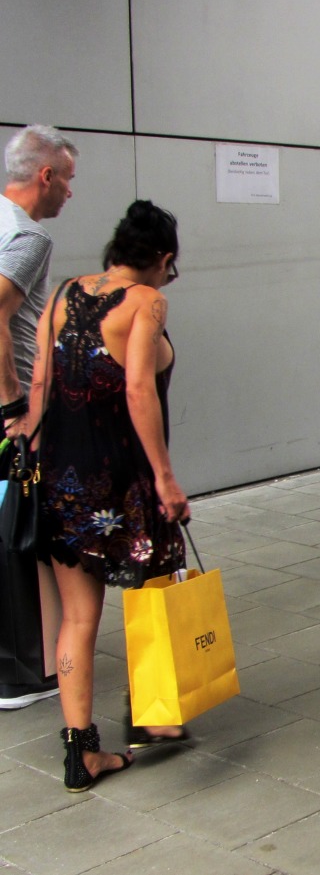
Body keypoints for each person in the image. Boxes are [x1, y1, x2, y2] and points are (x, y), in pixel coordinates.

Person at [22, 200, 190, 791]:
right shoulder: (147, 303)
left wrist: (31, 448)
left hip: (64, 481)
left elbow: (40, 381)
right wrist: (166, 478)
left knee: (78, 618)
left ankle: (80, 752)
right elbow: (139, 390)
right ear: (162, 260)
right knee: (151, 594)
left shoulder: (65, 292)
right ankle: (154, 716)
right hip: (124, 482)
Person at [0, 125, 78, 711]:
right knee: (27, 530)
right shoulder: (28, 238)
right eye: (68, 180)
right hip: (12, 413)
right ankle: (33, 670)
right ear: (45, 176)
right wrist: (15, 407)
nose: (69, 194)